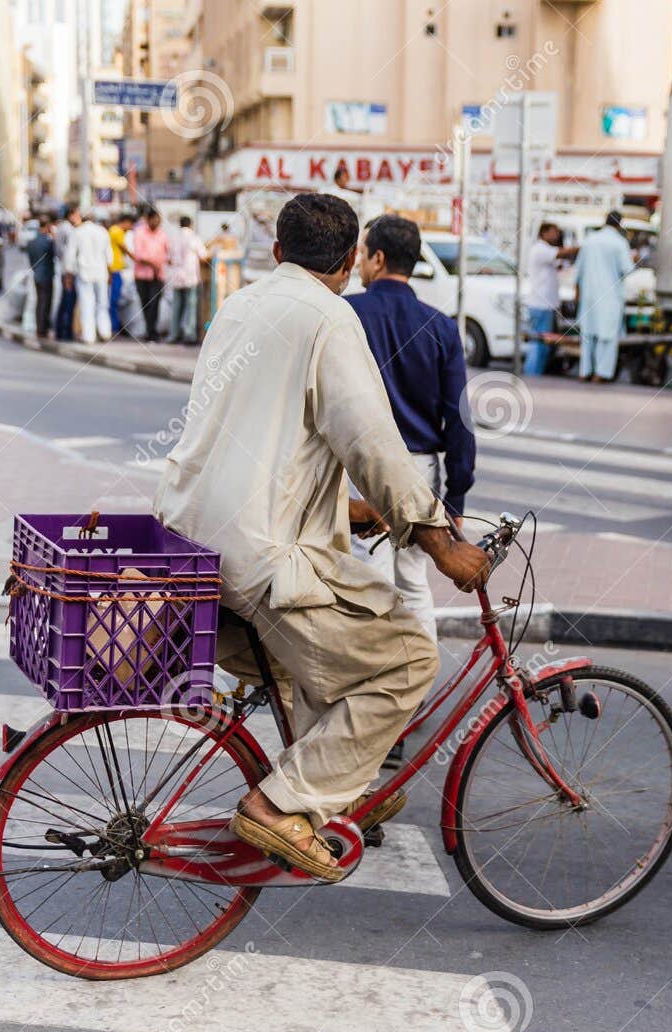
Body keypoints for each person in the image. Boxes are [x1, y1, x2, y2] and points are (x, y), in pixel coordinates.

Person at [153, 193, 490, 882]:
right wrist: (438, 539)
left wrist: (351, 510)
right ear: (345, 263)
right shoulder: (329, 318)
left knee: (317, 660)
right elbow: (369, 442)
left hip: (189, 542)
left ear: (278, 252)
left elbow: (271, 436)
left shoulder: (241, 305)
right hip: (259, 556)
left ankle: (327, 788)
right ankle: (282, 805)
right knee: (406, 658)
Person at [346, 214, 475, 642]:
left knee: (369, 582)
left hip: (359, 468)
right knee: (414, 582)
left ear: (378, 258)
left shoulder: (346, 315)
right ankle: (417, 686)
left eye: (363, 254)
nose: (360, 263)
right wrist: (456, 495)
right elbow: (459, 418)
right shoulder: (440, 326)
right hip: (420, 471)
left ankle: (374, 692)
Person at [574, 210, 635, 383]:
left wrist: (577, 294)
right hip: (610, 297)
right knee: (607, 337)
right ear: (620, 223)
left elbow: (578, 270)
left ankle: (584, 371)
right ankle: (600, 373)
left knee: (588, 335)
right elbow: (627, 269)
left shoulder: (590, 239)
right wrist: (635, 257)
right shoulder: (619, 242)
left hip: (589, 296)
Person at [524, 221, 575, 376]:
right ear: (544, 233)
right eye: (554, 232)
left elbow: (560, 263)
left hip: (546, 305)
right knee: (539, 343)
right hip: (540, 305)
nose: (557, 235)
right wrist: (584, 247)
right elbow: (561, 254)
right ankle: (532, 376)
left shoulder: (546, 250)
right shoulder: (540, 249)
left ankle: (535, 374)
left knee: (545, 344)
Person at [164, 215, 208, 344]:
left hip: (176, 276)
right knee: (191, 306)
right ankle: (189, 335)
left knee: (177, 306)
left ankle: (173, 335)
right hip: (190, 277)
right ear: (191, 225)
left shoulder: (173, 238)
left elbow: (169, 259)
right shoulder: (194, 238)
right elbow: (203, 255)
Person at [73, 211, 114, 343]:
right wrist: (110, 273)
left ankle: (89, 336)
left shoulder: (78, 232)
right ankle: (105, 332)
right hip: (101, 272)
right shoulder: (102, 231)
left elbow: (70, 255)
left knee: (87, 304)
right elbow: (109, 256)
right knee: (102, 303)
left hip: (84, 273)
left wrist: (68, 273)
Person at [132, 209, 169, 341]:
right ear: (148, 219)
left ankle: (152, 332)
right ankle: (149, 330)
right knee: (146, 303)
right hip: (142, 275)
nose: (157, 222)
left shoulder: (162, 234)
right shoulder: (139, 232)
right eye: (154, 219)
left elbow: (167, 253)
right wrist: (152, 263)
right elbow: (138, 254)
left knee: (155, 303)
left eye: (158, 220)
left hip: (158, 275)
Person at [24, 215, 57, 339]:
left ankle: (39, 327)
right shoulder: (48, 241)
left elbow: (31, 259)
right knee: (46, 302)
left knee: (39, 301)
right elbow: (54, 255)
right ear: (47, 226)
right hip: (46, 275)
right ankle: (43, 328)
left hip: (36, 274)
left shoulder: (32, 242)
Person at [53, 205, 81, 341]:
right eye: (77, 214)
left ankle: (60, 330)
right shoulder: (68, 229)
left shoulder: (62, 228)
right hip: (68, 271)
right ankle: (66, 332)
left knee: (65, 301)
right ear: (71, 215)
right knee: (68, 302)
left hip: (65, 269)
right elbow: (67, 252)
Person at [107, 209, 135, 334]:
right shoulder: (117, 231)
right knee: (113, 300)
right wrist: (138, 259)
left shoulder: (113, 230)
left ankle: (114, 326)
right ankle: (114, 327)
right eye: (131, 224)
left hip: (115, 269)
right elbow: (125, 249)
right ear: (126, 222)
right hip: (114, 270)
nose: (131, 227)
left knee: (114, 299)